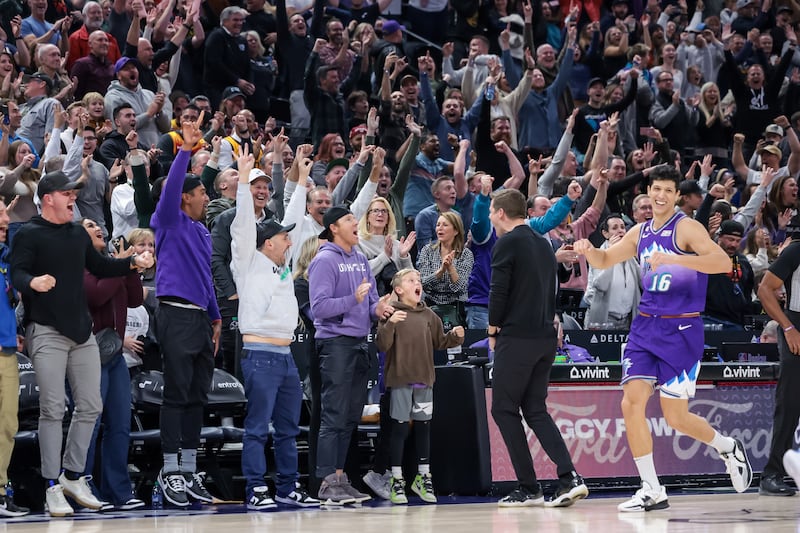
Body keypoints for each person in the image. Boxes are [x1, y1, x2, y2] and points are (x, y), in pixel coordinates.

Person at [574, 166, 753, 511]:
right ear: (649, 191)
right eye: (656, 189)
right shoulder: (640, 232)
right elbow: (607, 258)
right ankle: (651, 487)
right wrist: (588, 250)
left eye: (668, 191)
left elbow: (720, 262)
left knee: (676, 418)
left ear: (677, 196)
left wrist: (674, 258)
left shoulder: (686, 227)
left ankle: (727, 447)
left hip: (682, 330)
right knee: (631, 402)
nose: (660, 196)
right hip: (645, 327)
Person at [10, 172, 153, 517]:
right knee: (53, 409)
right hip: (45, 331)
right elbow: (16, 273)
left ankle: (73, 474)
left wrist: (131, 262)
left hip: (81, 333)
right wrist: (33, 282)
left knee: (91, 406)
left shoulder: (77, 234)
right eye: (66, 193)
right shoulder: (29, 233)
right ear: (48, 199)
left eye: (74, 193)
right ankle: (50, 486)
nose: (73, 198)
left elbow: (100, 264)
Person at [230, 147, 320, 510]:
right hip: (260, 356)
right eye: (283, 238)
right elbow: (241, 226)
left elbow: (295, 220)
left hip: (285, 358)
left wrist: (299, 181)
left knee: (287, 429)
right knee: (257, 427)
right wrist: (241, 181)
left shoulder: (283, 266)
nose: (289, 240)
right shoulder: (249, 262)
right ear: (268, 242)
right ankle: (255, 488)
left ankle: (287, 486)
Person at [487, 188, 588, 508]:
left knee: (503, 408)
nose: (490, 217)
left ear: (501, 213)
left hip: (517, 338)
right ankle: (568, 477)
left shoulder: (507, 243)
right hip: (546, 337)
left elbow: (498, 291)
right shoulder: (544, 245)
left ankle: (529, 487)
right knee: (534, 409)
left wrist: (492, 329)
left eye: (491, 212)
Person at [150, 111, 221, 508]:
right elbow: (172, 186)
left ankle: (189, 470)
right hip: (174, 313)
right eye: (202, 193)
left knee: (197, 396)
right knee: (176, 396)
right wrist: (186, 150)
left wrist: (215, 318)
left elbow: (206, 278)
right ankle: (170, 470)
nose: (207, 197)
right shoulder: (169, 220)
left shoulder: (201, 229)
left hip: (198, 317)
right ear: (184, 199)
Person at [308, 205, 394, 504]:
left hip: (360, 344)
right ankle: (325, 483)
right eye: (349, 220)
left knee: (348, 418)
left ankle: (340, 479)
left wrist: (379, 309)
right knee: (333, 416)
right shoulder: (324, 261)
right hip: (336, 346)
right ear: (334, 227)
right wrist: (350, 299)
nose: (356, 223)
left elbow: (370, 303)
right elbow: (318, 308)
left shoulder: (360, 259)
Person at [376, 268, 465, 505]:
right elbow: (382, 345)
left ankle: (423, 476)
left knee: (424, 427)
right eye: (411, 280)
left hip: (424, 380)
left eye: (418, 280)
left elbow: (440, 342)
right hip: (400, 381)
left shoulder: (429, 316)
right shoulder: (391, 313)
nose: (417, 284)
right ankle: (396, 479)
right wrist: (390, 324)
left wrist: (455, 337)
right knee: (399, 429)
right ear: (398, 289)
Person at [80, 217, 145, 510]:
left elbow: (133, 300)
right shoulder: (77, 263)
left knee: (119, 425)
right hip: (88, 354)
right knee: (89, 425)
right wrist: (121, 265)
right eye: (89, 226)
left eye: (98, 225)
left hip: (115, 356)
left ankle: (118, 490)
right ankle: (82, 484)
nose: (98, 229)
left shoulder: (111, 262)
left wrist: (128, 266)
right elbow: (96, 295)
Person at [755, 242, 800, 496]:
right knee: (791, 403)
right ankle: (772, 474)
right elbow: (764, 289)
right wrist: (789, 328)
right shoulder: (795, 251)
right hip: (795, 323)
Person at [0, 199, 28, 517]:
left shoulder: (9, 259)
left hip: (7, 350)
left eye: (6, 214)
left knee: (7, 426)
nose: (5, 220)